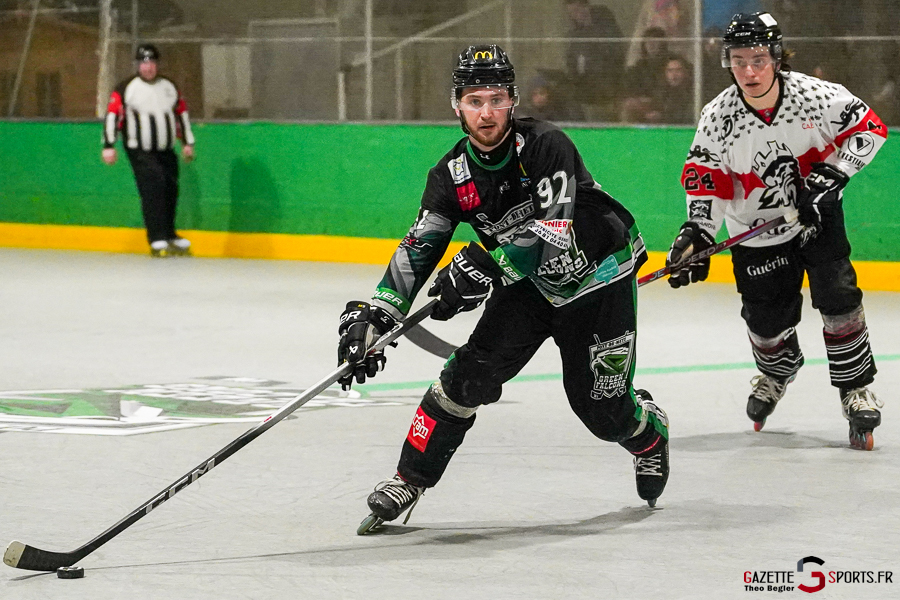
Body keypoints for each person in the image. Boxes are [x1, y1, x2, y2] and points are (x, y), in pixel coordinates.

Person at [337, 44, 670, 532]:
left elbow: (555, 234)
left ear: (513, 100)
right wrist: (378, 313)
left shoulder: (546, 144)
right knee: (464, 378)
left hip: (598, 280)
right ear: (457, 105)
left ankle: (649, 432)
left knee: (600, 410)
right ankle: (410, 476)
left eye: (496, 99)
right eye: (475, 101)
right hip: (530, 285)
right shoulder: (449, 175)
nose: (486, 112)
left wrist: (486, 267)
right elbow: (419, 246)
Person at [665, 13, 888, 450]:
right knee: (766, 322)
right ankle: (776, 370)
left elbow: (870, 129)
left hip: (817, 219)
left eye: (759, 59)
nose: (749, 70)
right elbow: (705, 178)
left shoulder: (814, 95)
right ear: (727, 61)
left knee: (838, 299)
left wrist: (832, 175)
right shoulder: (718, 117)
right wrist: (698, 231)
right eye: (739, 60)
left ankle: (855, 388)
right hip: (754, 231)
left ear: (777, 57)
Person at [102, 43, 195, 258]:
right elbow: (112, 115)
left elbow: (181, 114)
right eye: (144, 63)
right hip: (139, 149)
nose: (148, 67)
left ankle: (169, 234)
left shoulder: (169, 86)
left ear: (157, 64)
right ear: (137, 65)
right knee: (153, 185)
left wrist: (187, 142)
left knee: (170, 188)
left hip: (165, 148)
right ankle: (156, 237)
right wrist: (109, 145)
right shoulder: (126, 88)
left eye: (152, 62)